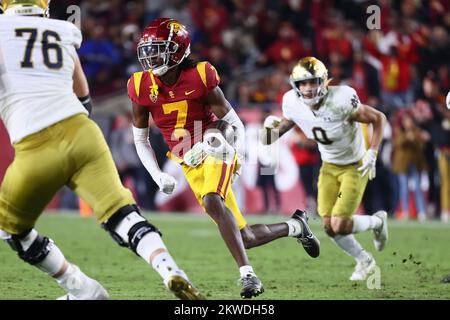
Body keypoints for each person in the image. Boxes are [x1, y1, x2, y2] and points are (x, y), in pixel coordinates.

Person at [0, 1, 203, 300]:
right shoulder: (63, 30)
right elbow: (83, 96)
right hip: (83, 132)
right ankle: (170, 269)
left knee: (12, 230)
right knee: (122, 214)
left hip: (35, 144)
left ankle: (80, 288)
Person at [127, 18, 320, 299]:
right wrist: (157, 174)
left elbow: (234, 124)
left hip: (217, 145)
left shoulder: (201, 75)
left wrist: (221, 149)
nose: (151, 56)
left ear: (178, 50)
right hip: (187, 161)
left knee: (212, 199)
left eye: (159, 49)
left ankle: (248, 276)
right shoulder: (140, 85)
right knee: (244, 237)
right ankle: (296, 226)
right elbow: (140, 139)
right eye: (149, 50)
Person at [262, 57, 389, 281]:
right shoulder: (292, 102)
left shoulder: (342, 99)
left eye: (313, 82)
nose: (308, 89)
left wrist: (373, 151)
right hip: (328, 165)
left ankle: (378, 222)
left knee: (339, 223)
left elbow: (378, 118)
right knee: (330, 227)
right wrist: (268, 130)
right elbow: (272, 135)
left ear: (324, 81)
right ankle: (364, 260)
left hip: (354, 165)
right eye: (303, 84)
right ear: (295, 85)